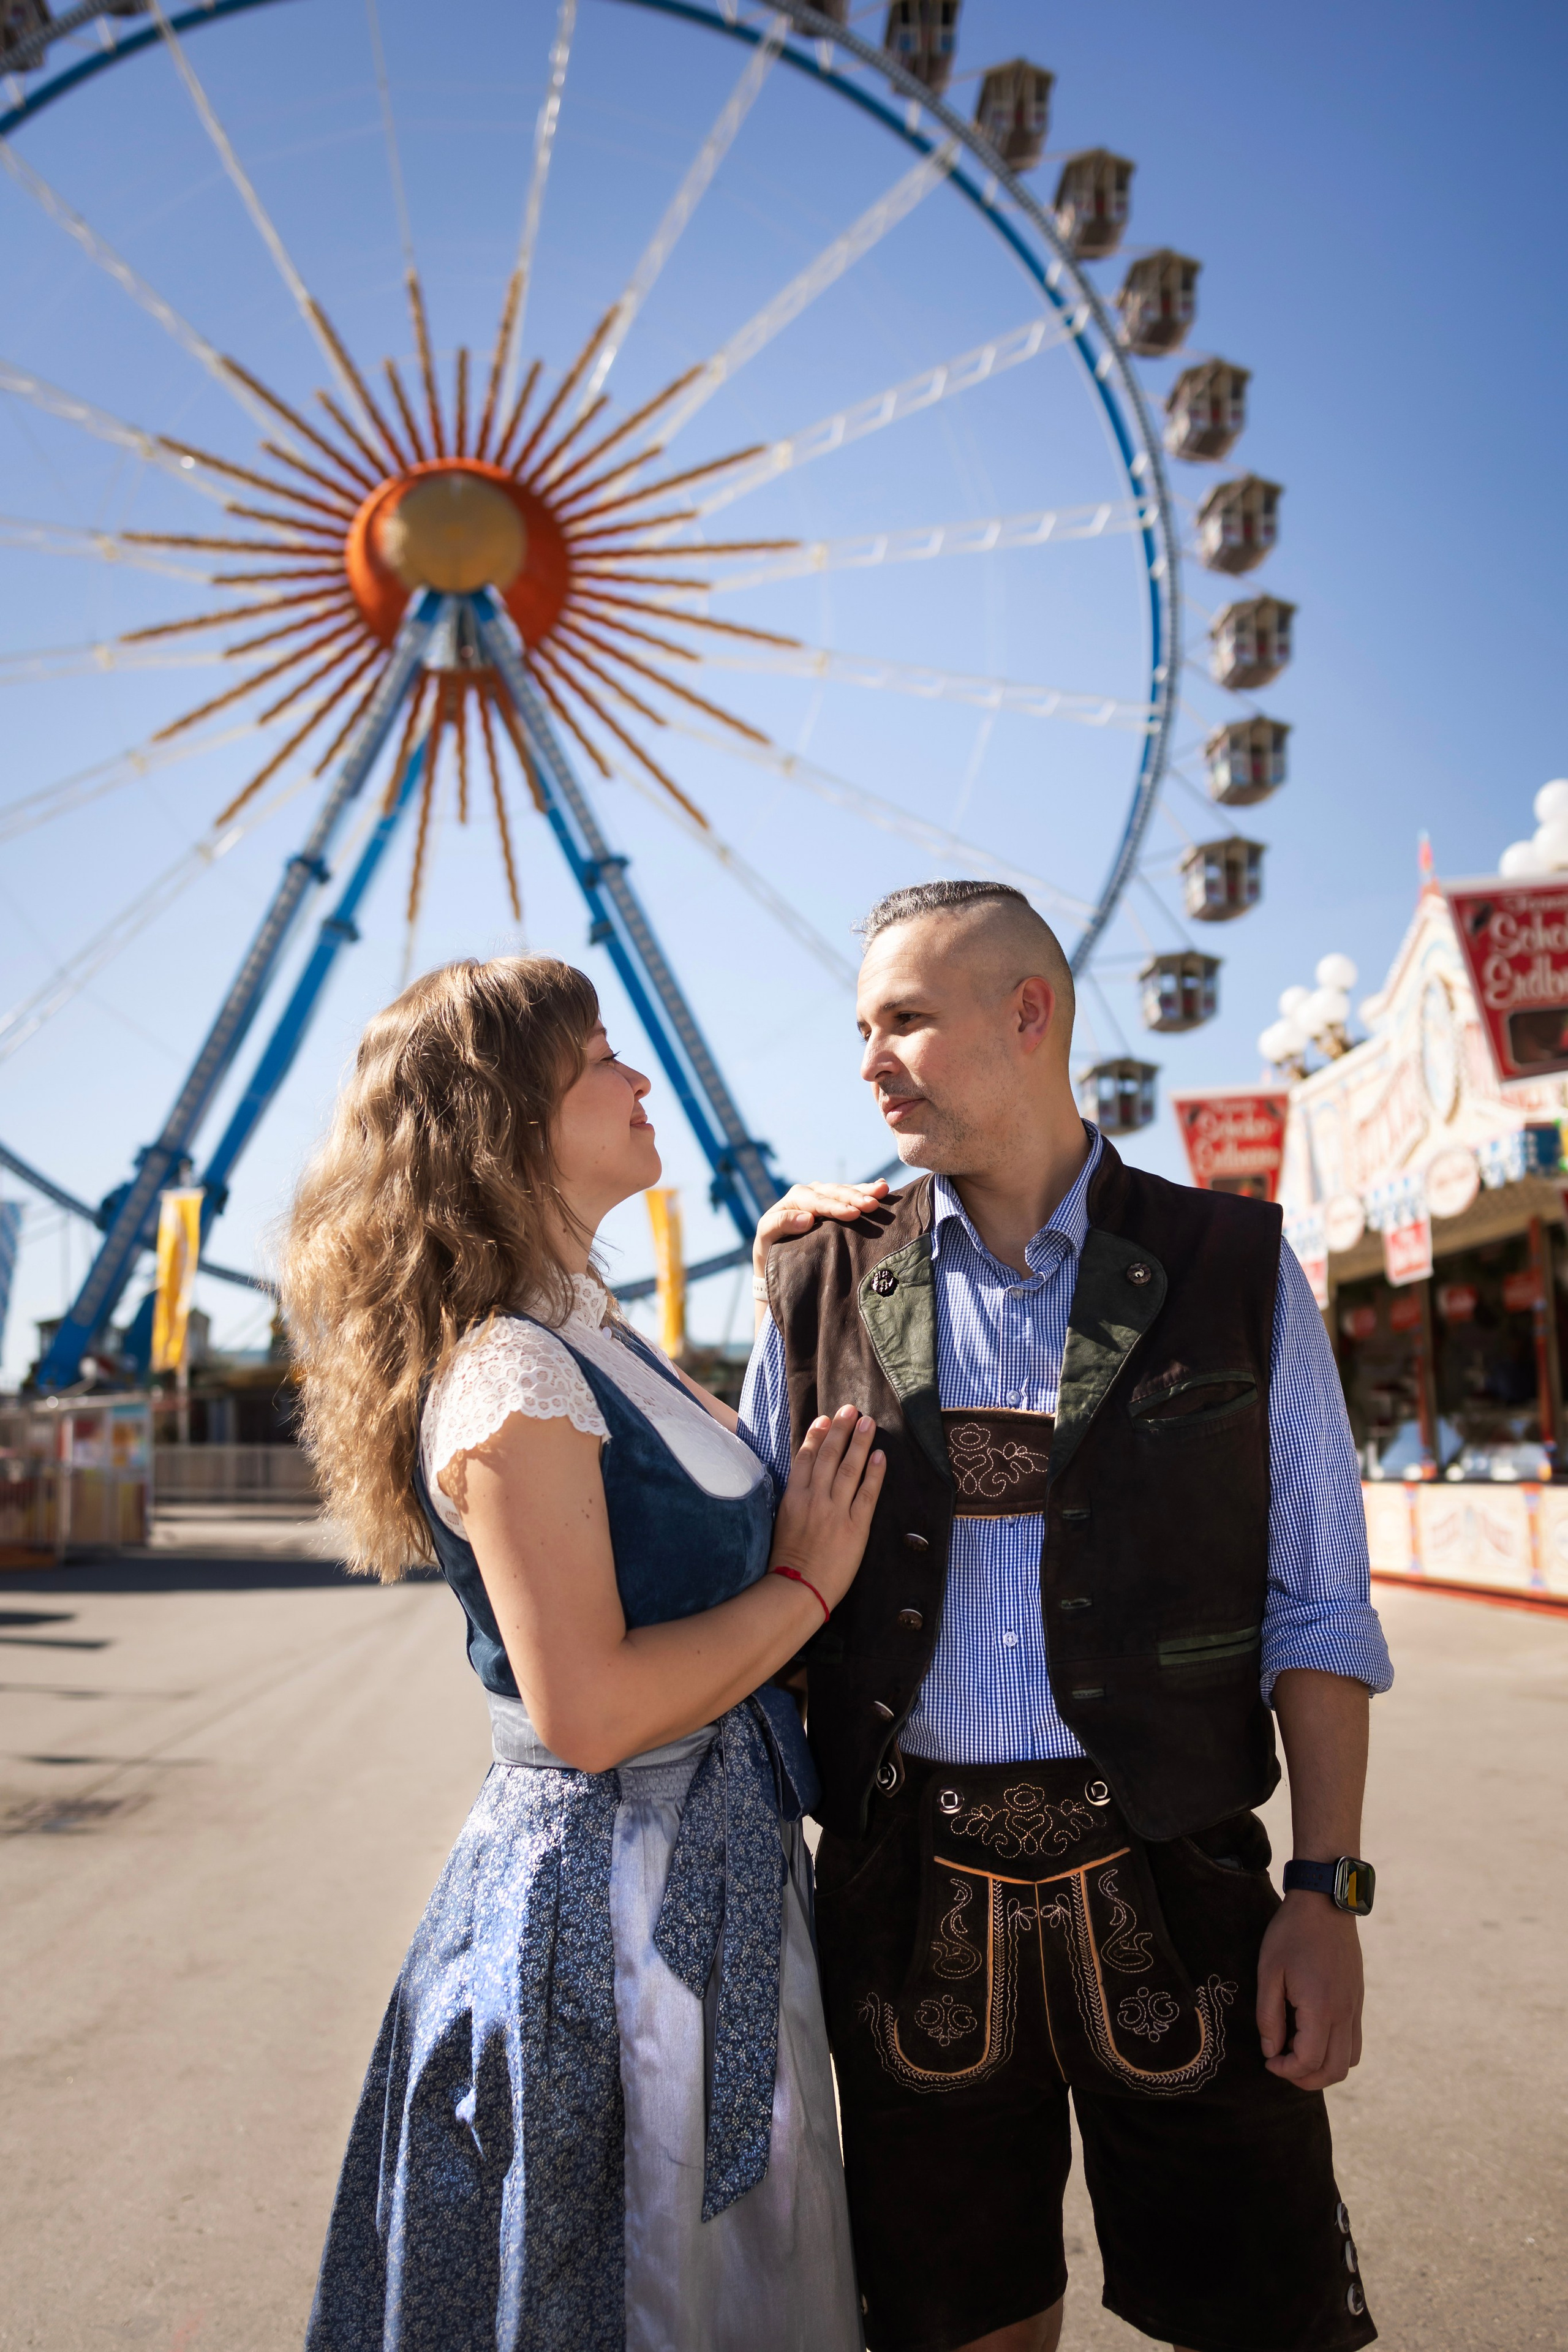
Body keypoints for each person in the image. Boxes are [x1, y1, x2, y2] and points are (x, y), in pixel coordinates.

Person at [741, 880, 1393, 2352]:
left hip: (1186, 1884)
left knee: (1263, 2317)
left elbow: (1317, 1605)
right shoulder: (815, 1277)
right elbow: (747, 1609)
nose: (868, 1061)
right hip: (906, 1902)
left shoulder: (1233, 1269)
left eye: (902, 1018)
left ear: (1026, 1015)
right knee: (954, 2327)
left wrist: (1324, 1889)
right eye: (862, 1027)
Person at [282, 955, 882, 2352]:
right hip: (614, 1905)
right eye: (599, 1058)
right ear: (503, 1122)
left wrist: (802, 1268)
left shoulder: (598, 1335)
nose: (638, 1077)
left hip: (707, 1873)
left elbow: (690, 1522)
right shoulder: (508, 1373)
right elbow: (591, 1709)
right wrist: (806, 1583)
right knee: (633, 2285)